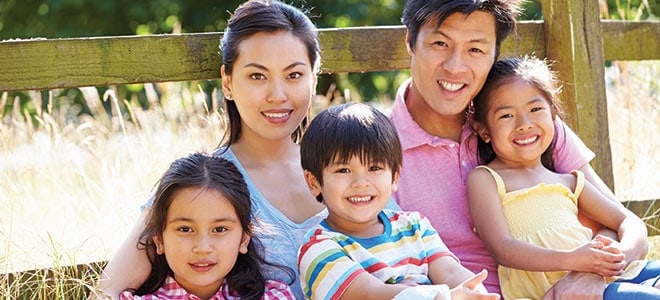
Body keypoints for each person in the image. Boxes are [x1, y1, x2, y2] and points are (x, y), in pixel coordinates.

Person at [389, 0, 649, 297]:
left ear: (493, 55)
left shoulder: (526, 125)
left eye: (476, 49)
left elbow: (617, 223)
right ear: (410, 40)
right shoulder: (376, 152)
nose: (455, 67)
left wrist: (589, 276)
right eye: (439, 43)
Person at [95, 1, 327, 299]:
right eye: (257, 76)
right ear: (228, 82)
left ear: (314, 78)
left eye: (293, 75)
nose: (277, 95)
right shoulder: (203, 184)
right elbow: (105, 292)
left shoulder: (346, 169)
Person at [466, 56, 660, 300]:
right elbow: (502, 248)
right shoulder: (486, 179)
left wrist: (617, 255)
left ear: (554, 116)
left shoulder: (568, 182)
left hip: (607, 277)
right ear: (484, 130)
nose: (524, 124)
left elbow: (629, 222)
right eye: (506, 116)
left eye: (535, 109)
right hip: (564, 293)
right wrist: (573, 260)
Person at [297, 102, 499, 300]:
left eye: (374, 168)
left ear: (394, 177)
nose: (361, 183)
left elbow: (451, 272)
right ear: (314, 182)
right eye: (343, 170)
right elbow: (369, 294)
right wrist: (444, 296)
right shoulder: (318, 248)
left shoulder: (414, 226)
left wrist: (475, 292)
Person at [119, 152, 294, 299]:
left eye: (219, 229)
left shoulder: (273, 296)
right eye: (185, 229)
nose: (203, 248)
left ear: (244, 239)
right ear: (159, 240)